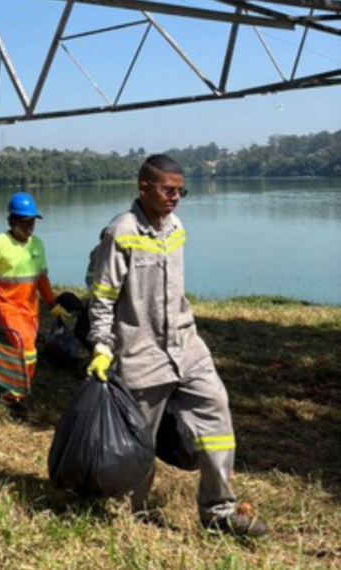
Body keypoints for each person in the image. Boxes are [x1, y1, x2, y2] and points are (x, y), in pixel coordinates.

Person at [84, 154, 268, 538]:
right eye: (169, 189)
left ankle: (218, 509)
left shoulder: (177, 226)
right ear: (145, 188)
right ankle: (128, 512)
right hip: (140, 353)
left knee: (216, 414)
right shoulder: (120, 231)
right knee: (139, 441)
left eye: (181, 190)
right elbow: (100, 297)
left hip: (187, 347)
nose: (176, 197)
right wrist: (101, 345)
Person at [0, 192, 73, 403]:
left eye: (32, 222)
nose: (30, 227)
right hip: (7, 306)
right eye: (25, 222)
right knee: (28, 350)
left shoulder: (37, 244)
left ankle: (16, 388)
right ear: (12, 221)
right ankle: (15, 394)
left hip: (31, 309)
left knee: (28, 351)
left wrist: (53, 304)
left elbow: (41, 279)